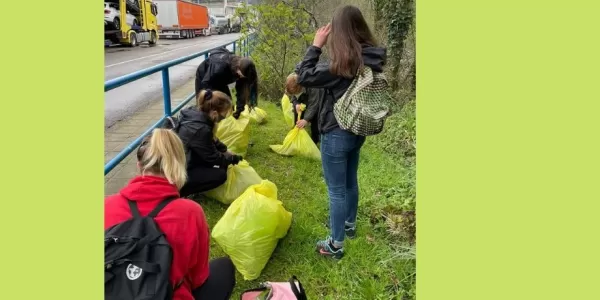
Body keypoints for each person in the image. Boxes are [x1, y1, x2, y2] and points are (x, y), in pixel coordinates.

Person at [294, 5, 387, 259]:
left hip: (336, 133)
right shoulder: (373, 58)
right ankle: (349, 225)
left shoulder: (340, 67)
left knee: (336, 189)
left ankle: (335, 245)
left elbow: (303, 75)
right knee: (349, 181)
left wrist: (316, 45)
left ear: (341, 33)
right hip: (358, 130)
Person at [104, 128, 236, 300]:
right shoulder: (191, 212)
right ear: (179, 166)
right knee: (224, 267)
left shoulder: (106, 206)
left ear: (139, 166)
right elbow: (198, 278)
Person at [176, 89, 243, 198]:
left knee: (220, 165)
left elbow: (212, 140)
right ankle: (181, 191)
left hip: (182, 161)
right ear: (214, 113)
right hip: (180, 172)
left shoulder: (196, 114)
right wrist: (231, 159)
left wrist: (225, 150)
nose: (222, 119)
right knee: (220, 175)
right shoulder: (201, 129)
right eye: (223, 116)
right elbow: (213, 157)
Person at [195, 47, 258, 119]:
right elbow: (207, 90)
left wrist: (239, 110)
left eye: (243, 77)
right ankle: (204, 124)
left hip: (221, 78)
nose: (241, 77)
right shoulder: (219, 69)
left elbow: (241, 91)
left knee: (228, 104)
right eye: (241, 75)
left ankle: (226, 121)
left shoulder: (242, 70)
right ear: (238, 69)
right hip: (205, 76)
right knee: (210, 106)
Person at [285, 73, 321, 144]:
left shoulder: (313, 86)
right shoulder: (293, 85)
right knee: (297, 113)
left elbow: (313, 105)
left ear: (299, 87)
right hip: (303, 103)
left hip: (315, 103)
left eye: (295, 92)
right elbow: (294, 98)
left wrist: (306, 119)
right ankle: (297, 135)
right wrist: (296, 104)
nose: (294, 94)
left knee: (315, 119)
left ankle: (314, 141)